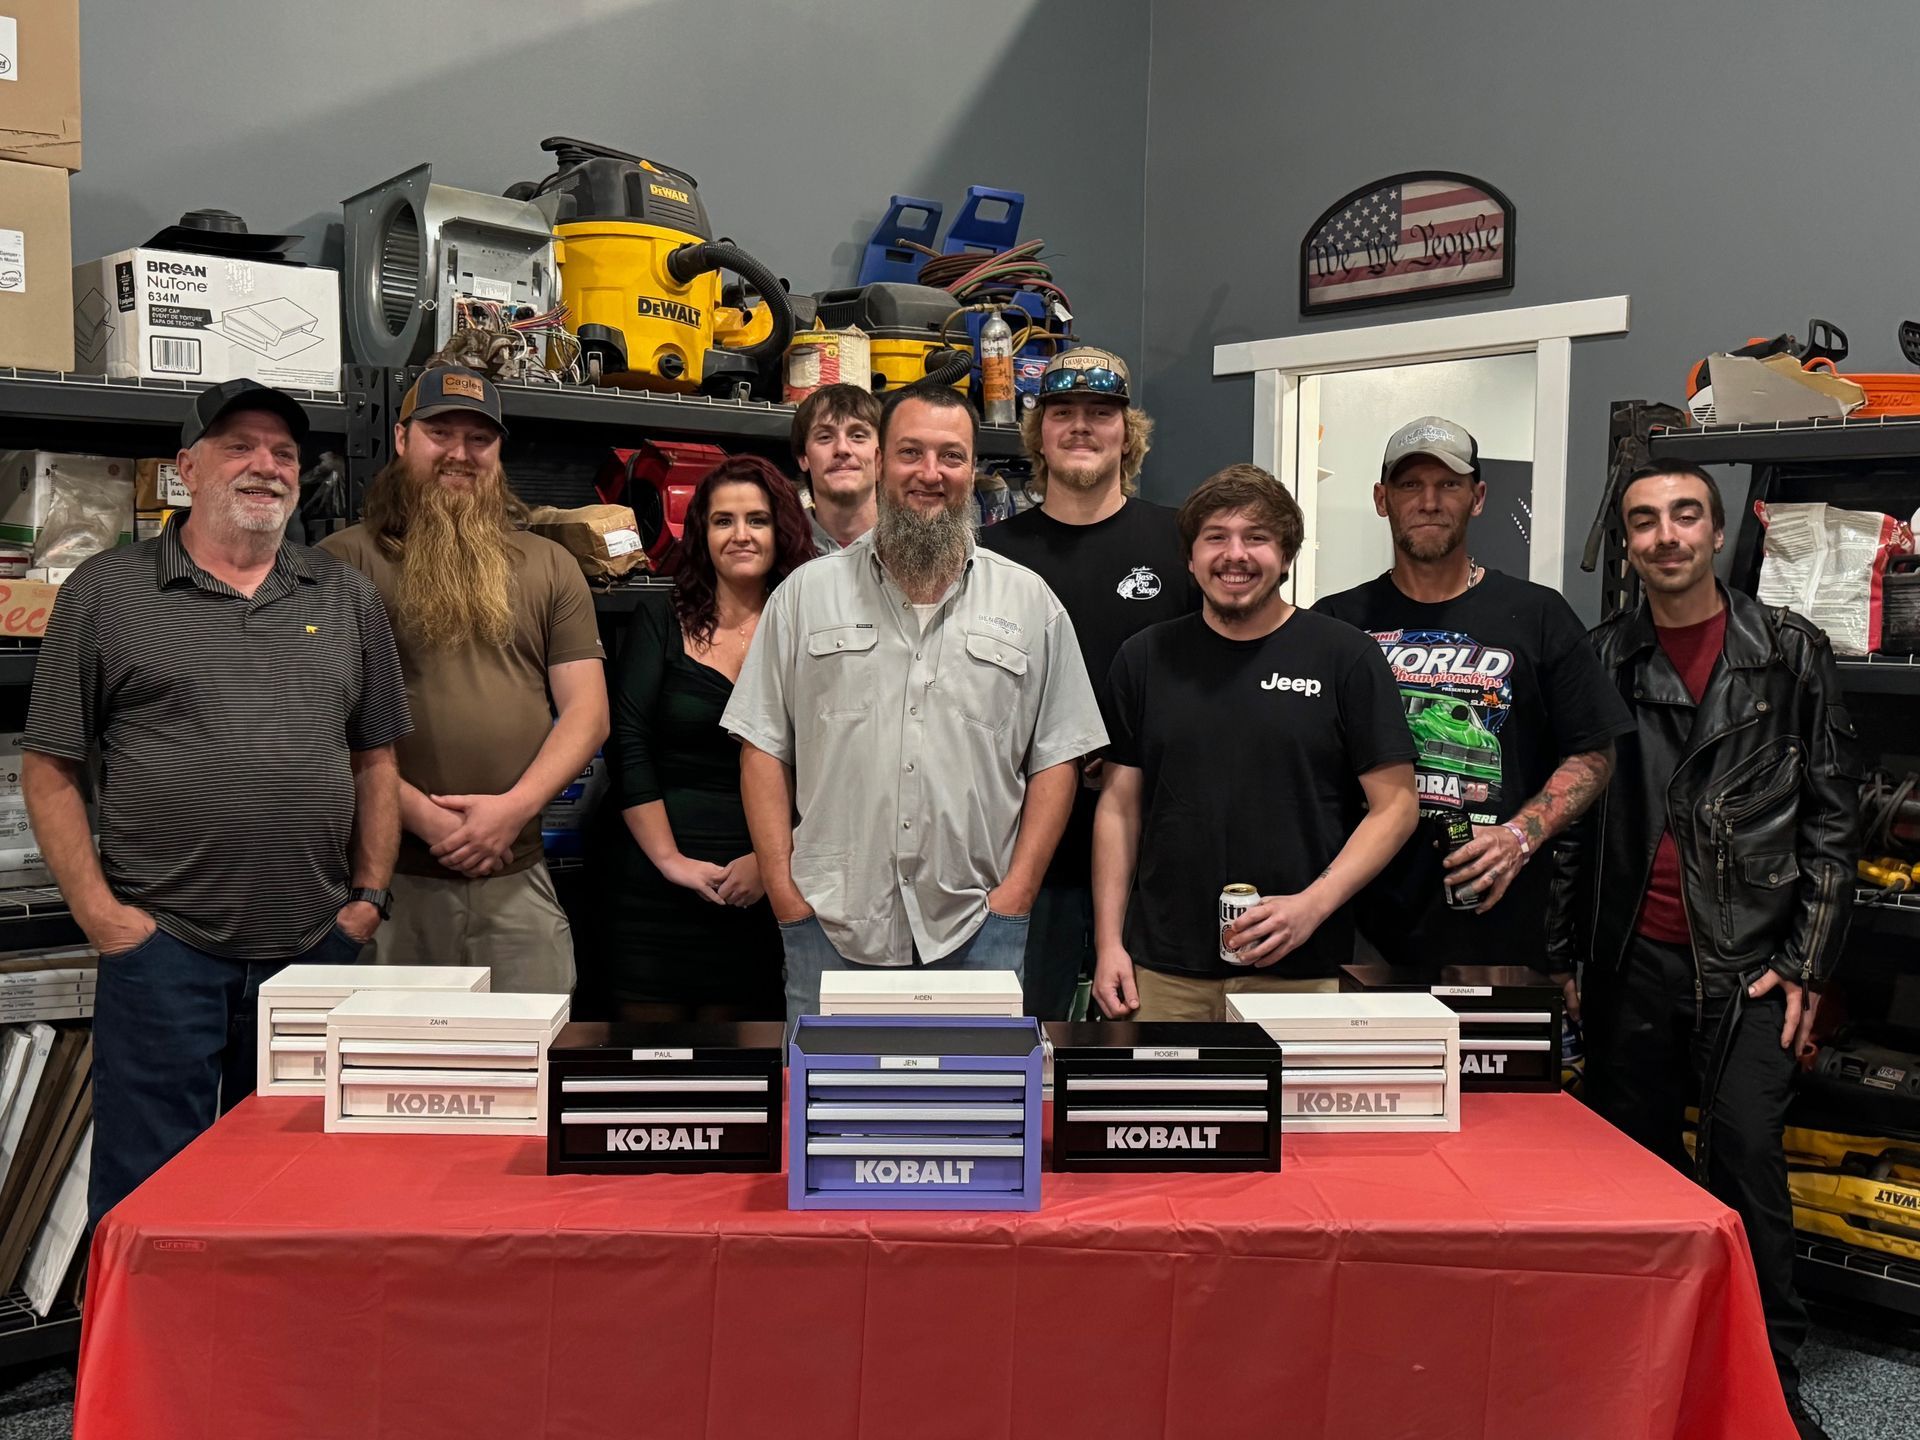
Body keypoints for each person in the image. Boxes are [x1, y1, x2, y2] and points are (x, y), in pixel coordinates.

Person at [21, 380, 410, 1225]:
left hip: (313, 952)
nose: (266, 466)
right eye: (239, 447)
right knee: (150, 1203)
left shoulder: (344, 597)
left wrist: (368, 900)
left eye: (283, 453)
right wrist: (103, 919)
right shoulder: (105, 592)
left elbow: (376, 757)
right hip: (165, 953)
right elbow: (49, 766)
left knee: (298, 1197)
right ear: (186, 469)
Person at [1546, 462, 1858, 1440]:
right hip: (1629, 961)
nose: (1665, 535)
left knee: (1747, 1163)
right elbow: (1571, 820)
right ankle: (1642, 1372)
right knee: (1632, 1171)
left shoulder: (1790, 654)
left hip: (1750, 969)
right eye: (1644, 521)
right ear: (1629, 544)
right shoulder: (1601, 656)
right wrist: (1563, 958)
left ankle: (1768, 1382)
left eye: (1685, 516)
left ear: (1717, 534)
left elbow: (1834, 821)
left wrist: (1806, 961)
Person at [723, 383, 1108, 1024]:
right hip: (829, 927)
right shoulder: (803, 598)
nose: (931, 473)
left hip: (978, 928)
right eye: (911, 453)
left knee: (974, 1092)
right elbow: (762, 747)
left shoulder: (1030, 603)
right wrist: (785, 893)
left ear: (972, 470)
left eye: (951, 456)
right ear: (879, 463)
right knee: (830, 1092)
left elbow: (1058, 757)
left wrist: (1016, 894)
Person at [1092, 465, 1419, 1022]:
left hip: (1302, 970)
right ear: (1190, 557)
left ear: (1286, 556)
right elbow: (1119, 807)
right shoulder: (1144, 659)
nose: (1235, 555)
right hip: (1164, 974)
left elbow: (1397, 806)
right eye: (1216, 537)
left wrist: (1311, 906)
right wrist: (1108, 945)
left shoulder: (1345, 657)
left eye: (1257, 537)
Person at [320, 366, 608, 994]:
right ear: (403, 440)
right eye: (440, 433)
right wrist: (427, 820)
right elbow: (319, 728)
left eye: (479, 439)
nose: (460, 453)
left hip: (516, 872)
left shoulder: (550, 565)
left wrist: (510, 812)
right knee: (386, 1055)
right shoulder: (343, 563)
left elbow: (588, 713)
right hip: (387, 883)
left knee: (530, 1050)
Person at [1314, 415, 1632, 974]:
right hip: (1361, 922)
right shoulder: (1336, 622)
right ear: (1382, 499)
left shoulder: (1538, 614)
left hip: (1497, 924)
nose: (1429, 502)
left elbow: (1594, 751)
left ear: (1478, 498)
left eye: (1449, 484)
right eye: (1410, 485)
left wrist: (1519, 836)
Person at [977, 346, 1196, 1020]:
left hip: (1151, 850)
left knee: (1138, 1053)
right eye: (1062, 412)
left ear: (1128, 433)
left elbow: (1217, 680)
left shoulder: (1183, 544)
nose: (1080, 426)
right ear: (1037, 433)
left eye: (1101, 413)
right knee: (1022, 1040)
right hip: (1020, 855)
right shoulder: (989, 554)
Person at [600, 458, 816, 1019]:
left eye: (757, 520)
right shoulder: (660, 620)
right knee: (646, 1059)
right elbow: (628, 743)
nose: (740, 535)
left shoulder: (811, 628)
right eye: (724, 521)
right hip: (654, 892)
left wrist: (770, 863)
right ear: (701, 532)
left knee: (750, 1061)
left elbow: (836, 760)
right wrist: (670, 860)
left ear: (782, 530)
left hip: (772, 889)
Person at [791, 382, 880, 554]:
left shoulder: (914, 550)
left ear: (881, 456)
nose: (842, 448)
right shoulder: (781, 552)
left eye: (858, 436)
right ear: (803, 458)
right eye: (825, 437)